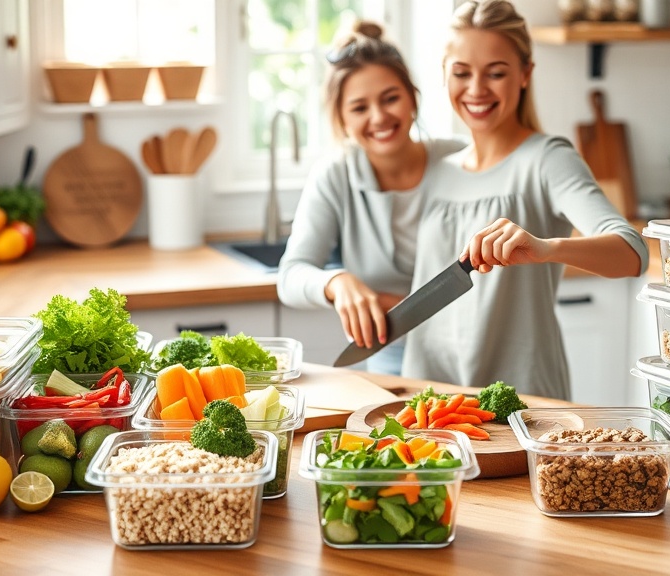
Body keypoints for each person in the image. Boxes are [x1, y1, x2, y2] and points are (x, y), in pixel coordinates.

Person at [401, 0, 648, 399]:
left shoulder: (548, 159)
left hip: (523, 403)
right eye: (461, 73)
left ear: (525, 74)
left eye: (495, 73)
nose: (477, 89)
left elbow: (633, 252)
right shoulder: (436, 168)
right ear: (443, 75)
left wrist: (547, 248)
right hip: (431, 400)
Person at [276, 22, 465, 375]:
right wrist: (336, 282)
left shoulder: (463, 159)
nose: (379, 117)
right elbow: (291, 277)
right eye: (360, 107)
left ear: (413, 96)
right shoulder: (335, 174)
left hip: (471, 353)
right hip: (391, 362)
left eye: (390, 98)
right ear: (342, 119)